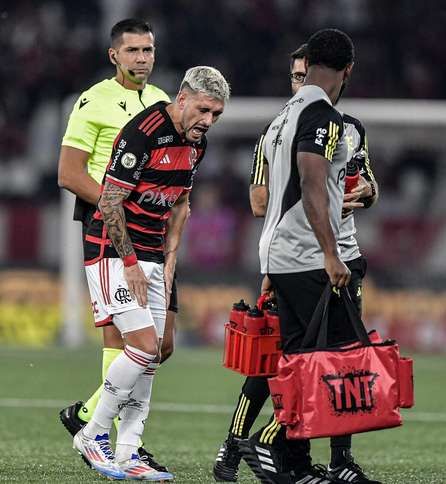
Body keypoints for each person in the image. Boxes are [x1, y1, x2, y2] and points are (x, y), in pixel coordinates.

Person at [213, 43, 380, 484]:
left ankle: (306, 464)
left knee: (309, 359)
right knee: (322, 362)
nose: (298, 79)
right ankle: (264, 441)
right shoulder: (306, 120)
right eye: (292, 74)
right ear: (346, 70)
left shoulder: (332, 127)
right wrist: (327, 249)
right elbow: (284, 190)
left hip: (305, 253)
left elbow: (366, 185)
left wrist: (359, 195)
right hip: (313, 255)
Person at [72, 66, 230, 481]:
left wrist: (170, 260)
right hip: (111, 250)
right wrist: (129, 264)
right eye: (202, 110)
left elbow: (180, 203)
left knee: (154, 354)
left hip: (154, 256)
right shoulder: (143, 131)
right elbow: (108, 202)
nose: (207, 121)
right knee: (142, 346)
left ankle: (128, 451)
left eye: (215, 114)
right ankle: (92, 434)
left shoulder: (198, 144)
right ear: (182, 98)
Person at [56, 18, 175, 472]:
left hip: (154, 228)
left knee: (159, 344)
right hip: (109, 223)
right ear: (115, 56)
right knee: (124, 337)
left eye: (148, 50)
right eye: (133, 51)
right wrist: (118, 203)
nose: (142, 58)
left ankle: (87, 416)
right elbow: (69, 174)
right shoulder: (94, 101)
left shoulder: (164, 101)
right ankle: (114, 441)